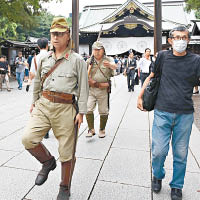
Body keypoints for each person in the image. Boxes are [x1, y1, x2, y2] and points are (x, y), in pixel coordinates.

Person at [21, 17, 89, 200]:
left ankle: (64, 186)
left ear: (68, 36)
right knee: (28, 139)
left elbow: (83, 88)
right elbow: (37, 82)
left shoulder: (77, 61)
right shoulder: (45, 59)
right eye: (53, 34)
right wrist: (34, 101)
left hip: (66, 108)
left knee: (67, 152)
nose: (56, 37)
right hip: (43, 104)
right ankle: (48, 161)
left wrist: (82, 113)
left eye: (60, 34)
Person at [137, 26, 200, 200]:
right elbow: (152, 77)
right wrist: (140, 96)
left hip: (185, 114)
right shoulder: (163, 57)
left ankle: (177, 185)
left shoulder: (196, 60)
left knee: (181, 153)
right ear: (170, 40)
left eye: (184, 37)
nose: (181, 40)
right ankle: (157, 174)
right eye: (177, 37)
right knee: (158, 151)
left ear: (188, 40)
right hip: (162, 111)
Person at [86, 41, 117, 138]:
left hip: (103, 89)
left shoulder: (108, 59)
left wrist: (111, 66)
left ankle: (102, 129)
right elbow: (84, 73)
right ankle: (91, 129)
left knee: (103, 111)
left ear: (103, 50)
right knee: (88, 109)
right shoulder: (89, 61)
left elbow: (115, 66)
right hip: (91, 89)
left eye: (99, 50)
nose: (97, 52)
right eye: (95, 50)